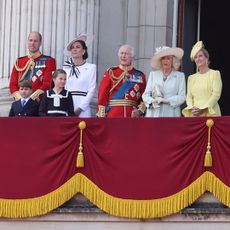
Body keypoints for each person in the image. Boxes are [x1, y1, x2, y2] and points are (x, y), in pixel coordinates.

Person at [97, 44, 146, 117]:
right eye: (121, 53)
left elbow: (144, 97)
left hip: (132, 116)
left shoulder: (139, 75)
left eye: (126, 54)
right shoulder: (111, 72)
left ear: (132, 57)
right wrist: (102, 114)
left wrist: (139, 111)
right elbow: (102, 94)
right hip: (113, 114)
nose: (123, 56)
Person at [9, 31, 56, 102]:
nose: (32, 43)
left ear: (40, 43)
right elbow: (13, 84)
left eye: (35, 41)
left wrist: (32, 98)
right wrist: (20, 98)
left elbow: (48, 83)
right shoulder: (19, 61)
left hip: (39, 102)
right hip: (21, 102)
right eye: (30, 40)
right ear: (27, 42)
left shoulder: (49, 61)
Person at [142, 46, 186, 117]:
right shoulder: (153, 74)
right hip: (154, 114)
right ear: (160, 61)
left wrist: (166, 100)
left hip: (171, 114)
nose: (165, 61)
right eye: (163, 58)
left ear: (173, 61)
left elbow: (182, 97)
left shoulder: (180, 76)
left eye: (168, 58)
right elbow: (145, 95)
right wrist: (152, 101)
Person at [182, 41, 222, 117]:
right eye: (195, 57)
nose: (198, 59)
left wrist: (202, 109)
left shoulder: (215, 74)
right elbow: (189, 97)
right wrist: (192, 108)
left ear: (206, 58)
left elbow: (216, 95)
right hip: (194, 114)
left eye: (200, 56)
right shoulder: (191, 78)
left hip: (210, 113)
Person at [63, 34, 96, 117]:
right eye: (72, 47)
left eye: (77, 47)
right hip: (67, 106)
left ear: (83, 51)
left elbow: (91, 90)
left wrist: (80, 109)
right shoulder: (66, 68)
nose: (74, 49)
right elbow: (63, 88)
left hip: (83, 108)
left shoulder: (91, 67)